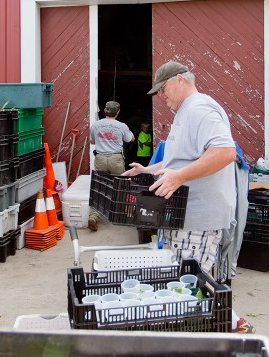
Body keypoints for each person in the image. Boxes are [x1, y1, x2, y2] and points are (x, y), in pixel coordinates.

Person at [122, 60, 255, 333]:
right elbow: (178, 159)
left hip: (201, 215)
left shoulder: (201, 109)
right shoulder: (184, 113)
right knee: (188, 275)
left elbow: (225, 152)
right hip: (183, 213)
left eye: (163, 88)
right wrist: (148, 168)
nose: (161, 96)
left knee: (189, 279)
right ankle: (231, 322)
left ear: (180, 80)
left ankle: (225, 325)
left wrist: (180, 177)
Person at [88, 100, 134, 231]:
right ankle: (126, 214)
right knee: (122, 186)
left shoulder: (96, 125)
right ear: (118, 112)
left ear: (105, 110)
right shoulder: (122, 126)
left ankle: (93, 216)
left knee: (99, 187)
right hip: (116, 159)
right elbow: (130, 139)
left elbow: (92, 141)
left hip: (101, 158)